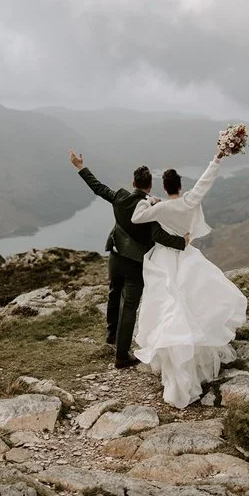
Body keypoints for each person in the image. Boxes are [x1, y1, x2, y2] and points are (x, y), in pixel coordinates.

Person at [131, 146, 248, 408]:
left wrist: (149, 201)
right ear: (180, 186)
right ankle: (194, 362)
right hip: (186, 257)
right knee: (193, 306)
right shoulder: (189, 201)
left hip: (164, 259)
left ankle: (174, 361)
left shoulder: (160, 209)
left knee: (169, 307)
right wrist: (217, 158)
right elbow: (206, 181)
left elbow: (137, 217)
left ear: (164, 187)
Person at [69, 150, 190, 369]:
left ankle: (111, 334)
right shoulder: (150, 209)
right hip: (135, 264)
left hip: (115, 257)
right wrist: (182, 242)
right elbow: (158, 235)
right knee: (129, 308)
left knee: (114, 293)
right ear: (149, 186)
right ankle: (121, 356)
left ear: (133, 183)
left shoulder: (120, 197)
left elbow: (98, 187)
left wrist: (80, 166)